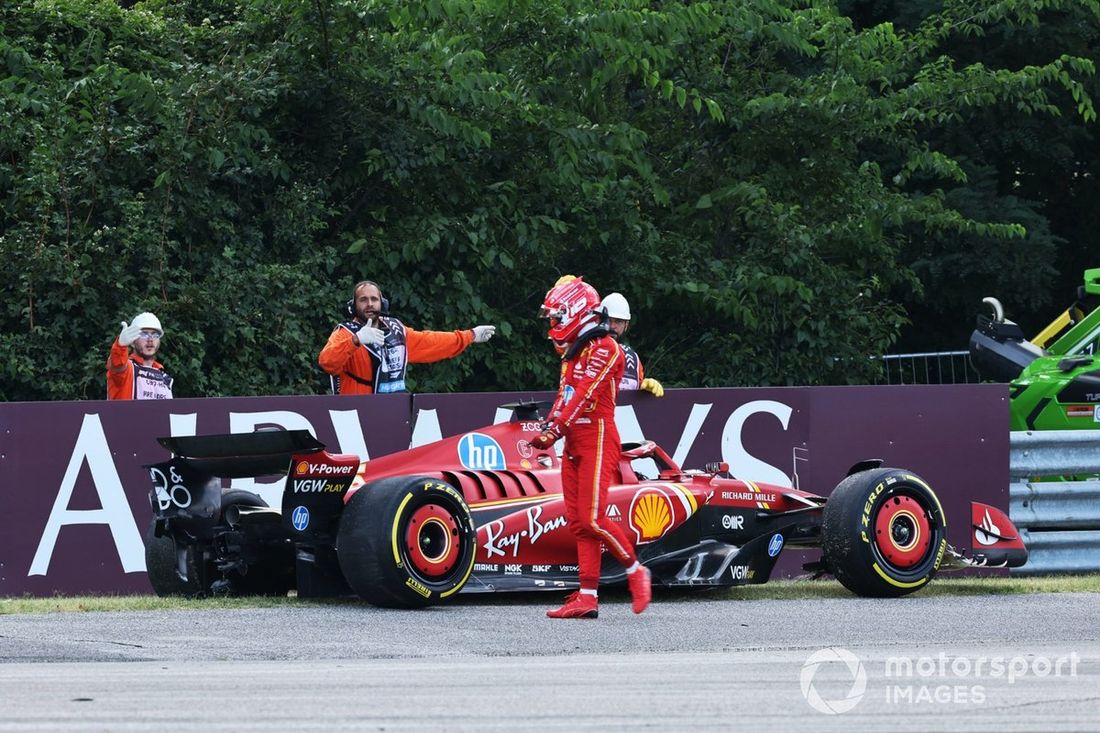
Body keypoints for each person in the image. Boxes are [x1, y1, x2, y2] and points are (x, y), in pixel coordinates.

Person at [531, 276, 651, 619]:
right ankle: (587, 597)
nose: (553, 324)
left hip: (598, 436)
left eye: (557, 316)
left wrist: (553, 430)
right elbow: (563, 397)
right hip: (573, 439)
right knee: (578, 522)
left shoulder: (606, 348)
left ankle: (635, 571)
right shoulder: (573, 353)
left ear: (575, 313)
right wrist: (550, 427)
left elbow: (585, 394)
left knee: (593, 518)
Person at [318, 280, 496, 395]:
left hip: (393, 411)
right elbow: (327, 362)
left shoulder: (396, 329)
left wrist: (470, 335)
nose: (370, 304)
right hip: (357, 413)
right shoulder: (346, 333)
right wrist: (355, 341)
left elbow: (431, 343)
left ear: (383, 303)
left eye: (374, 299)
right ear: (353, 306)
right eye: (363, 300)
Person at [599, 292, 664, 397]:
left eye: (618, 321)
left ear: (626, 325)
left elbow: (635, 399)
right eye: (608, 320)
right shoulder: (585, 350)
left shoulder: (632, 358)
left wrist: (643, 386)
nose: (612, 326)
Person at [106, 312, 173, 400]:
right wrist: (120, 346)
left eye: (155, 335)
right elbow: (117, 365)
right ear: (133, 342)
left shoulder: (164, 377)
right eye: (144, 334)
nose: (150, 339)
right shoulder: (127, 369)